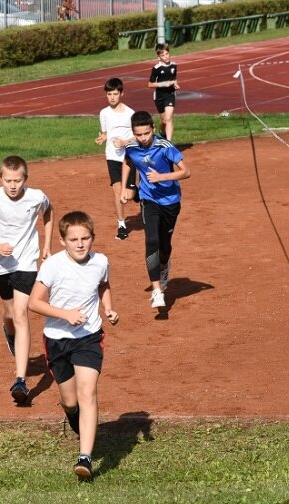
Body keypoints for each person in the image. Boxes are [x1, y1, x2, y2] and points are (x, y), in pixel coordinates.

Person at [28, 211, 118, 481]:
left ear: (92, 238)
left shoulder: (100, 262)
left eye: (85, 238)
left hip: (89, 336)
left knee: (87, 391)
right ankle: (73, 415)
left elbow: (103, 285)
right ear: (62, 240)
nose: (80, 244)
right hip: (57, 338)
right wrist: (65, 314)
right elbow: (34, 302)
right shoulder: (53, 266)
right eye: (73, 239)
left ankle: (85, 458)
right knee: (70, 400)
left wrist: (109, 308)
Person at [0, 155, 54, 405]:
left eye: (17, 180)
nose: (13, 185)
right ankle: (8, 331)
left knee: (21, 313)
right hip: (0, 264)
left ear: (25, 179)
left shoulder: (36, 196)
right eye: (8, 181)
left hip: (26, 263)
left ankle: (20, 380)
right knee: (9, 314)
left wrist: (47, 245)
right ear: (1, 178)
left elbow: (48, 211)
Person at [121, 111, 191, 310]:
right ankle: (157, 291)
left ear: (152, 129)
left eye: (146, 133)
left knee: (164, 245)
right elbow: (128, 162)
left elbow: (186, 172)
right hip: (148, 199)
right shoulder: (133, 147)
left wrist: (162, 177)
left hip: (170, 202)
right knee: (151, 240)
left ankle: (164, 266)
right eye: (138, 134)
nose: (143, 138)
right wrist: (127, 186)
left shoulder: (165, 147)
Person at [95, 78, 136, 241]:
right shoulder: (103, 113)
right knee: (118, 193)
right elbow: (106, 132)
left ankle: (136, 192)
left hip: (128, 158)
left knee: (129, 195)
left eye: (115, 94)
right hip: (112, 156)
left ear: (122, 93)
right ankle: (121, 225)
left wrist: (125, 142)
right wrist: (102, 138)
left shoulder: (130, 113)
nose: (112, 97)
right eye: (109, 94)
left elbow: (137, 135)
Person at [147, 43, 179, 141]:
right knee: (164, 120)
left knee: (169, 119)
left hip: (170, 95)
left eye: (167, 54)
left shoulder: (174, 65)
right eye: (163, 55)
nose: (166, 57)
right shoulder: (157, 68)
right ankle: (162, 132)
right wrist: (163, 84)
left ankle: (168, 143)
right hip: (159, 96)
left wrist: (175, 84)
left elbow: (174, 78)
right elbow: (150, 84)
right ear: (159, 57)